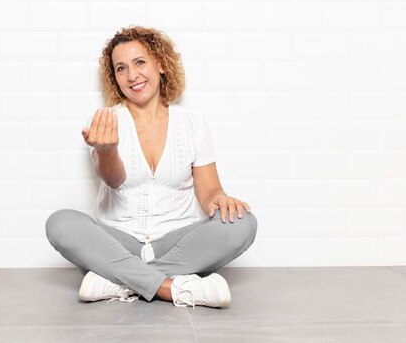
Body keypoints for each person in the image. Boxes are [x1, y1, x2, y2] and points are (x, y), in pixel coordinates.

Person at [46, 26, 258, 308]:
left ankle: (119, 281)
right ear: (114, 78)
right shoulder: (107, 121)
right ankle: (174, 288)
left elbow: (210, 193)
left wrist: (220, 200)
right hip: (119, 242)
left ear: (160, 64)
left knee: (243, 223)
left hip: (177, 242)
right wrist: (106, 150)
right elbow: (113, 179)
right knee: (60, 223)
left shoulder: (192, 123)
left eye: (140, 62)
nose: (132, 75)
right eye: (120, 68)